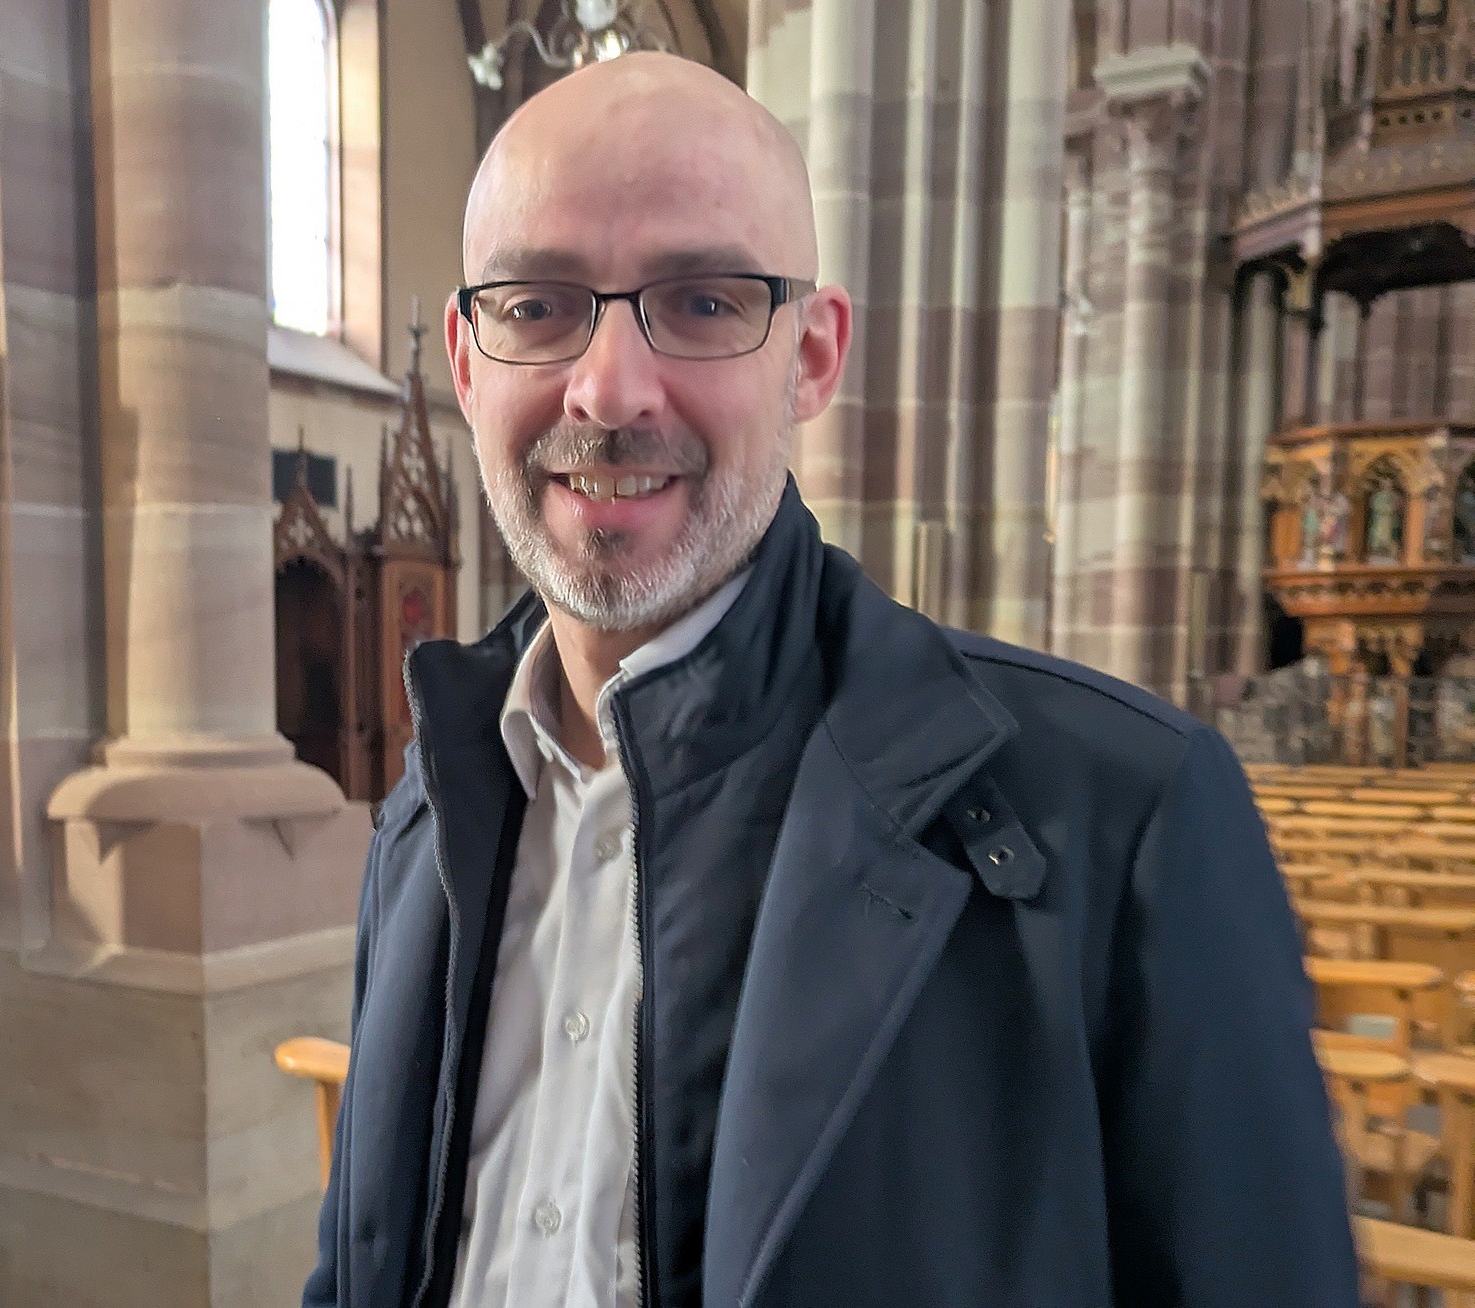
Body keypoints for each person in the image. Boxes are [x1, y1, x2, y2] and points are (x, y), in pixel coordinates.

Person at [302, 52, 1358, 1308]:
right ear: (471, 366)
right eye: (538, 306)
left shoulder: (1123, 815)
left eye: (700, 302)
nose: (610, 389)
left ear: (811, 357)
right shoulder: (429, 804)